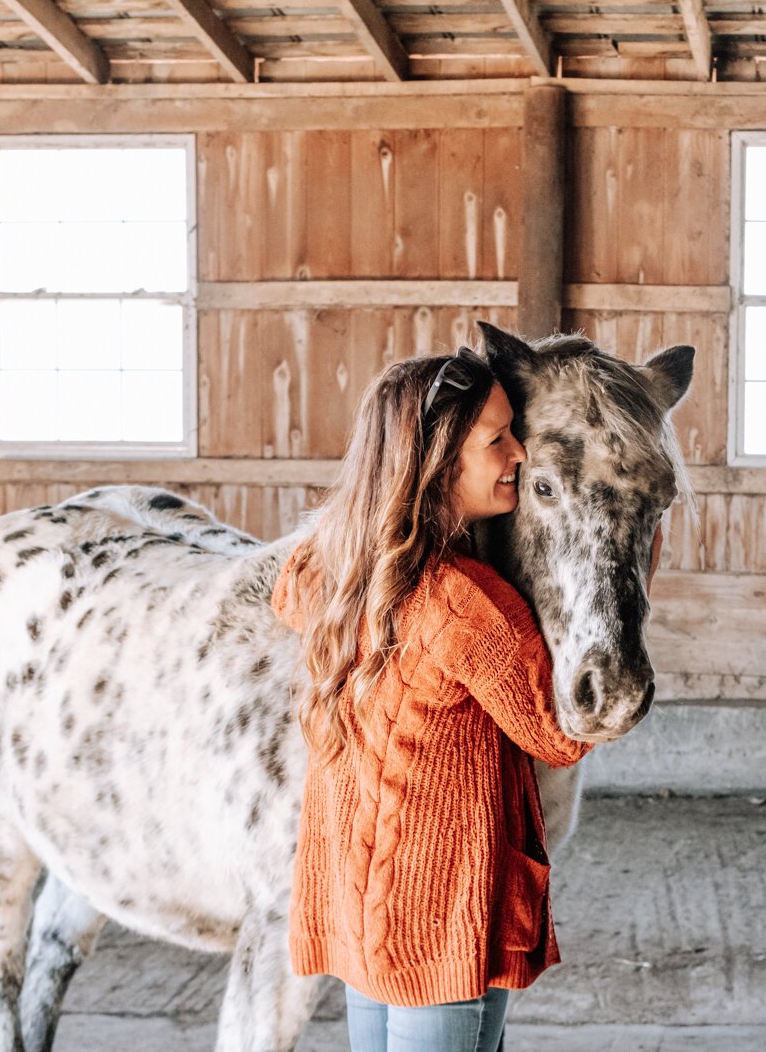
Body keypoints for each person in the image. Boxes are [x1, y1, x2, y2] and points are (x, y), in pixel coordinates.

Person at [271, 346, 661, 1052]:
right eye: (497, 439)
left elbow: (290, 578)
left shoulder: (333, 568)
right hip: (442, 928)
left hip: (366, 921)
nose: (520, 452)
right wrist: (638, 549)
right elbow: (563, 734)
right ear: (441, 458)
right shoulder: (466, 606)